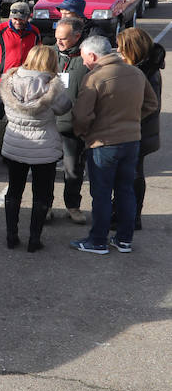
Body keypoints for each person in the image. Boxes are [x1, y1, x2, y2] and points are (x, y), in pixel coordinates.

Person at [69, 36, 160, 254]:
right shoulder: (136, 73)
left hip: (103, 143)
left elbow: (82, 116)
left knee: (101, 194)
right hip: (132, 142)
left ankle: (98, 240)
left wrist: (83, 133)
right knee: (125, 191)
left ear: (92, 55)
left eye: (84, 58)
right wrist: (132, 120)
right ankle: (124, 240)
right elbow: (152, 104)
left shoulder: (95, 78)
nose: (83, 63)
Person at [0, 45, 70, 252]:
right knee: (42, 193)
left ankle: (11, 235)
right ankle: (34, 239)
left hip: (15, 142)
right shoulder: (52, 86)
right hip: (44, 145)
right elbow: (64, 108)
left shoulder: (10, 80)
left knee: (14, 189)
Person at [0, 2, 40, 172]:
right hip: (0, 84)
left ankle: (9, 156)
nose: (18, 21)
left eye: (21, 18)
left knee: (17, 122)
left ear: (28, 18)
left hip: (23, 86)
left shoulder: (34, 33)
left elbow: (38, 56)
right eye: (15, 18)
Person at [116, 27, 164, 230]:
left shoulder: (146, 72)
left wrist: (125, 119)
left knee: (133, 174)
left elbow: (150, 106)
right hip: (138, 130)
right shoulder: (144, 67)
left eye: (121, 48)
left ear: (132, 49)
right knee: (131, 173)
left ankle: (132, 216)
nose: (118, 51)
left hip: (139, 132)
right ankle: (126, 213)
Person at [52, 19, 91, 225]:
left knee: (73, 169)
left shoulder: (86, 60)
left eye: (63, 39)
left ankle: (73, 206)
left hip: (73, 127)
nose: (58, 42)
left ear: (77, 36)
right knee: (46, 169)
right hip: (49, 124)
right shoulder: (50, 54)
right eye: (57, 38)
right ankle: (45, 205)